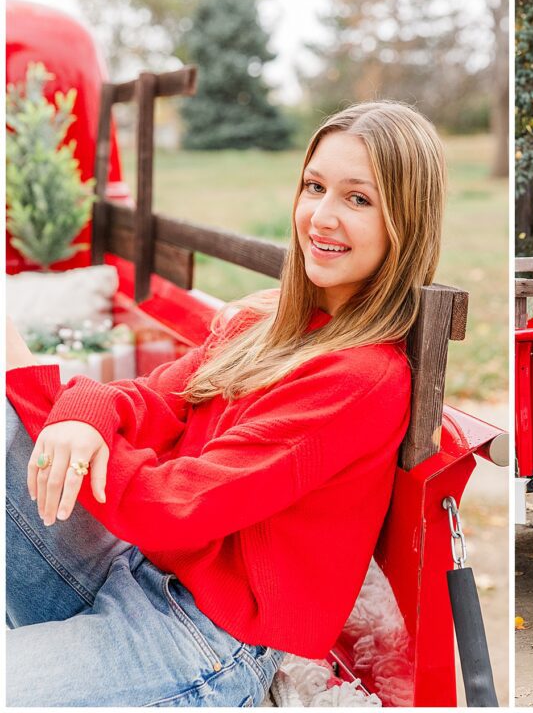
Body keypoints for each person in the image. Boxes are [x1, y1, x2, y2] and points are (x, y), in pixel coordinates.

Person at [5, 101, 447, 706]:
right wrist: (85, 410)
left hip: (209, 642)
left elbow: (180, 505)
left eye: (358, 199)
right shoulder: (268, 322)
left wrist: (56, 405)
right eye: (314, 186)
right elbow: (158, 397)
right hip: (140, 569)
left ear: (406, 220)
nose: (320, 217)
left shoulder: (363, 378)